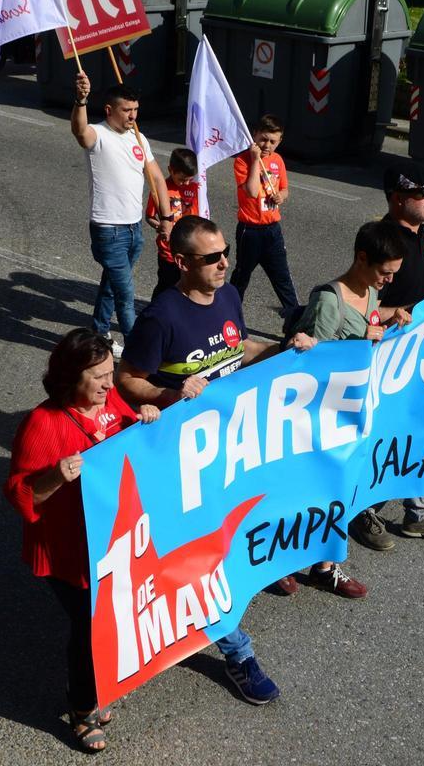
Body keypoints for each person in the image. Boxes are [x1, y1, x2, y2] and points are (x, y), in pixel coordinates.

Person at [115, 215, 314, 705]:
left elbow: (236, 346)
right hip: (182, 461)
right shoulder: (161, 316)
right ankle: (239, 656)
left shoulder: (226, 295)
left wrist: (284, 349)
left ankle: (261, 568)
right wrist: (170, 391)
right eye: (211, 257)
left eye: (225, 252)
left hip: (231, 447)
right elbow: (128, 378)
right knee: (201, 559)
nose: (225, 262)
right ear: (182, 262)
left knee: (240, 531)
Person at [4, 329, 160, 753]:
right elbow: (20, 494)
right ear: (70, 378)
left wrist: (144, 417)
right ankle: (81, 708)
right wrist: (56, 475)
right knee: (91, 628)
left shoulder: (108, 402)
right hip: (66, 550)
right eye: (99, 377)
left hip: (107, 542)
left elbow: (128, 435)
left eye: (111, 373)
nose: (111, 385)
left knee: (105, 621)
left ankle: (92, 690)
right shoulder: (41, 423)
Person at [275, 221, 415, 599]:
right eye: (385, 272)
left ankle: (323, 566)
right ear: (362, 258)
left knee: (336, 491)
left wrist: (390, 315)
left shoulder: (367, 291)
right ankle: (282, 563)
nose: (387, 280)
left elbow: (367, 316)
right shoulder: (329, 299)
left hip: (347, 413)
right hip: (316, 417)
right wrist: (358, 341)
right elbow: (305, 359)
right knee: (304, 493)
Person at [349, 163, 424, 552]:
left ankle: (418, 513)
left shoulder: (418, 233)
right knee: (385, 440)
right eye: (423, 192)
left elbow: (422, 278)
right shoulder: (385, 242)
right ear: (399, 198)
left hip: (421, 356)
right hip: (388, 362)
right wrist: (411, 310)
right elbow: (366, 305)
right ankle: (362, 511)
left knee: (423, 429)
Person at [71, 73, 170, 355]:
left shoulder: (139, 138)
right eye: (126, 110)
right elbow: (80, 131)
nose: (132, 116)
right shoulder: (98, 134)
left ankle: (99, 332)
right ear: (109, 110)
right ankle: (139, 352)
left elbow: (157, 179)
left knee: (112, 286)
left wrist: (167, 219)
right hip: (108, 230)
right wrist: (80, 100)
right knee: (126, 296)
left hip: (133, 228)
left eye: (135, 110)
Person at [229, 114, 299, 322]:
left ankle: (295, 319)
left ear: (279, 142)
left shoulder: (277, 161)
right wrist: (254, 161)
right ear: (255, 136)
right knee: (241, 277)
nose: (267, 145)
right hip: (249, 230)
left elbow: (285, 189)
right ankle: (229, 316)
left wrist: (282, 197)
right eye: (263, 139)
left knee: (282, 277)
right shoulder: (243, 161)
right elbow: (251, 191)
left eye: (272, 141)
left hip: (272, 229)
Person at [144, 147, 199, 300]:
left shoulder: (195, 188)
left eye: (190, 179)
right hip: (168, 252)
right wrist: (159, 226)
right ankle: (156, 311)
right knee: (166, 286)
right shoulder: (161, 190)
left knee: (187, 288)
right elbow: (149, 217)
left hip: (189, 249)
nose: (186, 183)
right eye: (182, 179)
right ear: (171, 170)